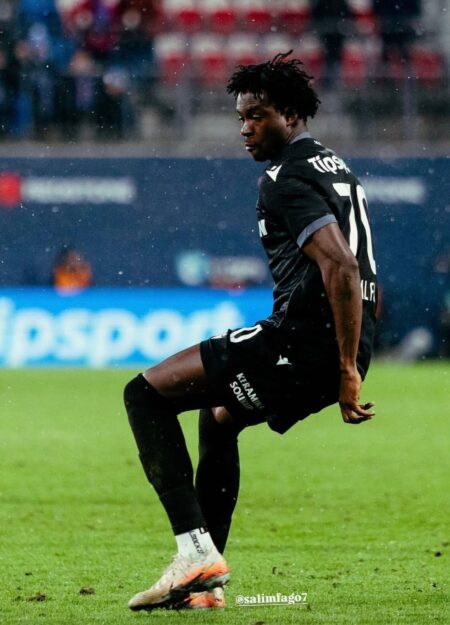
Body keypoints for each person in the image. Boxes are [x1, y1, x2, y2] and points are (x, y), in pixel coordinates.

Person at [124, 51, 378, 612]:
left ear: (291, 114)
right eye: (241, 118)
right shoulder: (336, 168)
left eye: (257, 115)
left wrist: (343, 370)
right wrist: (354, 356)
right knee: (219, 417)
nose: (245, 128)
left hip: (305, 342)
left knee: (143, 395)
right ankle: (204, 585)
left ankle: (194, 553)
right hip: (340, 339)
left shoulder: (285, 178)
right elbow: (360, 273)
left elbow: (342, 265)